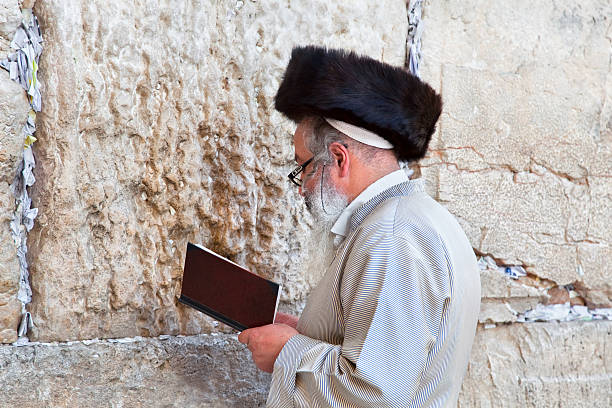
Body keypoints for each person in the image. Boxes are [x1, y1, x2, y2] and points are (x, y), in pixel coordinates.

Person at [238, 46, 481, 408]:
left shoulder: (392, 237)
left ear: (338, 158)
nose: (302, 186)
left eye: (303, 167)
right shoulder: (412, 218)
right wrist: (304, 332)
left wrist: (287, 351)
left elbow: (375, 393)